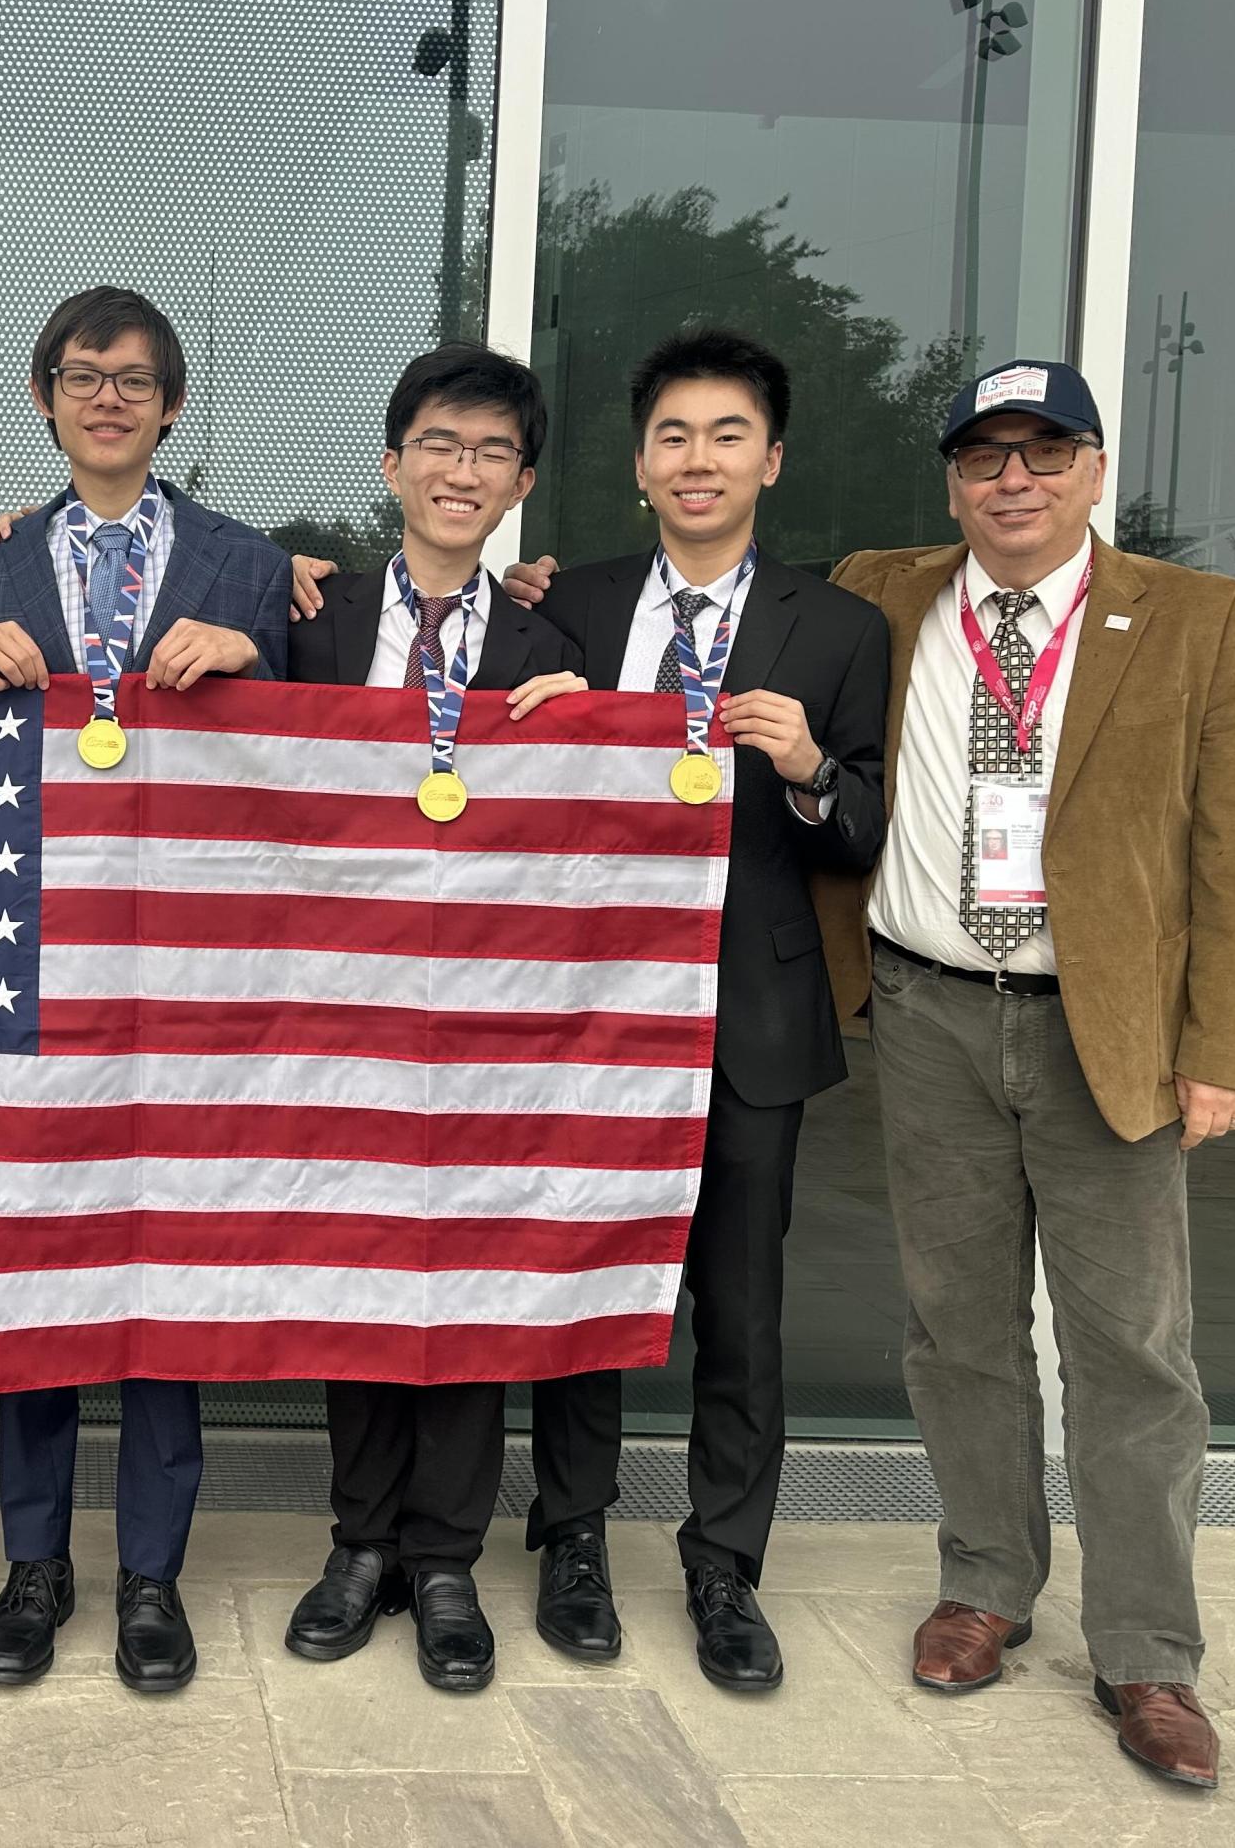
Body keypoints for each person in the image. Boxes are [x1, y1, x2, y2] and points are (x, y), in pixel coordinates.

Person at [816, 358, 1235, 1791]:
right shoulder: (877, 590)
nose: (1010, 481)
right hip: (930, 1011)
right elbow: (725, 619)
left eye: (1044, 453)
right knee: (955, 1322)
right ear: (951, 481)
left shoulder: (1194, 619)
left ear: (1095, 470)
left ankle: (1149, 1654)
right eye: (982, 457)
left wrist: (1226, 1047)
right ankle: (986, 1581)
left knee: (1131, 1353)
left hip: (1114, 1032)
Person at [501, 328, 889, 1691]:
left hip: (750, 1018)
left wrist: (803, 770)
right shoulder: (567, 607)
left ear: (770, 459)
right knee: (584, 1285)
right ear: (638, 464)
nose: (700, 458)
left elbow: (864, 831)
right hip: (590, 1012)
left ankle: (726, 1562)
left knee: (742, 1304)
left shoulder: (838, 628)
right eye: (674, 435)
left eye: (729, 433)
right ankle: (573, 1538)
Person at [0, 284, 292, 1694]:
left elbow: (311, 765)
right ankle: (38, 1565)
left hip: (189, 981)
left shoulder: (254, 564)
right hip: (34, 976)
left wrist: (262, 655)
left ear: (170, 406)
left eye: (137, 379)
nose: (109, 397)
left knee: (165, 1280)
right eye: (84, 375)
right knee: (41, 1270)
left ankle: (153, 1572)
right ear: (45, 396)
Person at [281, 343, 578, 1692]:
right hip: (342, 1005)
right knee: (359, 1266)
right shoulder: (314, 617)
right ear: (393, 460)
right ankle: (361, 1543)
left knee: (469, 1272)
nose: (463, 472)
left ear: (522, 482)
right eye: (439, 445)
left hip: (491, 1013)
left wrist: (590, 737)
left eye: (492, 453)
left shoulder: (549, 646)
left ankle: (446, 1554)